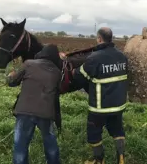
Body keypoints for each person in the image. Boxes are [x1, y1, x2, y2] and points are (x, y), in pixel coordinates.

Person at [69, 27, 128, 164]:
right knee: (117, 130)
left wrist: (72, 68)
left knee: (94, 133)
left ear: (99, 39)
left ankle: (99, 160)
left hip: (100, 107)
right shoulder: (122, 56)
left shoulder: (94, 58)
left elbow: (79, 75)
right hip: (119, 105)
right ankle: (121, 158)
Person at [7, 44, 63, 164]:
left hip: (24, 111)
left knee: (20, 144)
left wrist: (11, 75)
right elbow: (59, 89)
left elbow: (12, 82)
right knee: (50, 142)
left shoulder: (29, 64)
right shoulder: (57, 72)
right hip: (46, 113)